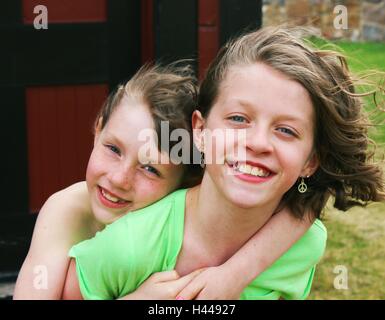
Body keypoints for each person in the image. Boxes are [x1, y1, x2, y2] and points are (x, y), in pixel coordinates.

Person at [61, 26, 384, 300]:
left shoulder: (304, 245)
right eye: (239, 118)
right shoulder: (127, 247)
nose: (257, 142)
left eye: (286, 130)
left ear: (310, 162)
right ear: (200, 131)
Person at [14, 62, 315, 300]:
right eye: (113, 149)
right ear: (98, 128)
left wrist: (233, 275)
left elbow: (307, 206)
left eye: (150, 169)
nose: (119, 179)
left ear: (191, 180)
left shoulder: (188, 214)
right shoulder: (69, 209)